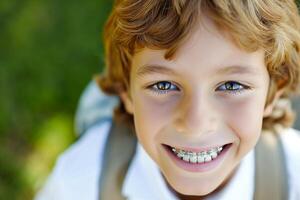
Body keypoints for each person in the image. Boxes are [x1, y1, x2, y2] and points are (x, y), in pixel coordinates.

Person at [35, 0, 300, 199]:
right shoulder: (81, 180)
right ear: (126, 91)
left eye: (231, 85)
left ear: (273, 92)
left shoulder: (293, 176)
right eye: (163, 85)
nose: (195, 124)